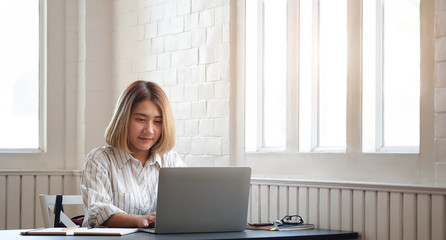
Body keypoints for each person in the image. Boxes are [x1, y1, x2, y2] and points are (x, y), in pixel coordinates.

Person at [81, 80, 186, 228]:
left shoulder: (172, 161)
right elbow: (96, 212)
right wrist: (138, 220)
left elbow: (188, 206)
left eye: (157, 122)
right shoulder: (99, 160)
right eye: (141, 120)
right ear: (123, 119)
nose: (149, 130)